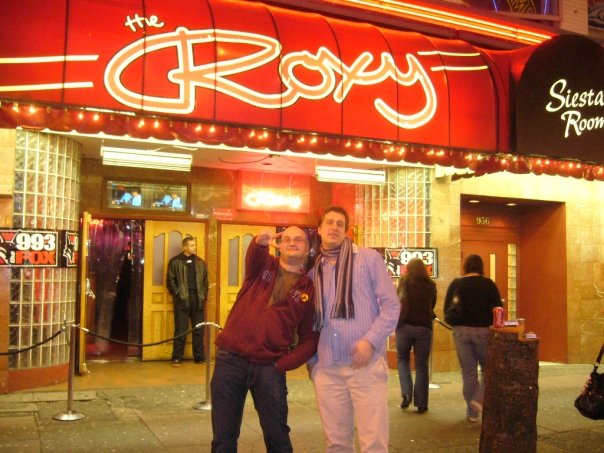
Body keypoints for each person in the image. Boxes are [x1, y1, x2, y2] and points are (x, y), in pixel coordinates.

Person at [211, 226, 318, 453]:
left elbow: (310, 339)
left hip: (269, 369)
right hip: (230, 361)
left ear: (308, 249)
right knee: (223, 438)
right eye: (286, 238)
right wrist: (258, 242)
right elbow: (255, 254)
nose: (292, 242)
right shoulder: (263, 266)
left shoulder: (308, 289)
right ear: (279, 246)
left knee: (278, 437)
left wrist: (282, 365)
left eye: (298, 239)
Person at [308, 206, 400, 453]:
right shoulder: (314, 271)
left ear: (347, 231)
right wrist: (314, 362)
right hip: (327, 368)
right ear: (319, 229)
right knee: (336, 444)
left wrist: (370, 341)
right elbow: (309, 321)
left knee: (373, 443)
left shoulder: (368, 259)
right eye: (329, 222)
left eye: (340, 224)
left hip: (364, 366)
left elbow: (391, 306)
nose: (334, 227)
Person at [443, 254, 502, 422]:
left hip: (460, 332)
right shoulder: (488, 284)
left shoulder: (456, 284)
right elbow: (498, 308)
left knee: (468, 373)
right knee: (489, 368)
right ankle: (479, 399)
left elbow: (447, 308)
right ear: (481, 267)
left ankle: (472, 413)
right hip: (483, 331)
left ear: (466, 266)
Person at [395, 258, 437, 414]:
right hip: (424, 327)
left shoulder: (404, 283)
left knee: (402, 359)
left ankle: (406, 393)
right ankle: (422, 403)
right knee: (421, 365)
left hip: (404, 326)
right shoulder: (430, 285)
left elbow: (398, 301)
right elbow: (432, 304)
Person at [166, 236, 209, 366]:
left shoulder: (201, 263)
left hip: (198, 299)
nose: (194, 247)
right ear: (185, 247)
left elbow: (205, 282)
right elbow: (170, 281)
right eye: (191, 245)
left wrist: (203, 296)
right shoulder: (175, 262)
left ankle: (199, 357)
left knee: (199, 329)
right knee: (181, 329)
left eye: (195, 245)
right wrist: (178, 294)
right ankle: (177, 358)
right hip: (182, 299)